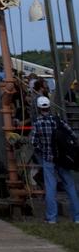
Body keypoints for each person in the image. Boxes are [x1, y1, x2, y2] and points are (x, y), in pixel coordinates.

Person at [30, 96, 79, 225]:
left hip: (48, 158)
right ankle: (77, 217)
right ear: (49, 106)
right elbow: (72, 135)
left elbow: (34, 142)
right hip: (62, 159)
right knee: (70, 186)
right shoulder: (57, 120)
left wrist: (43, 151)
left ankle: (52, 217)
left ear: (39, 108)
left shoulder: (38, 123)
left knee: (51, 188)